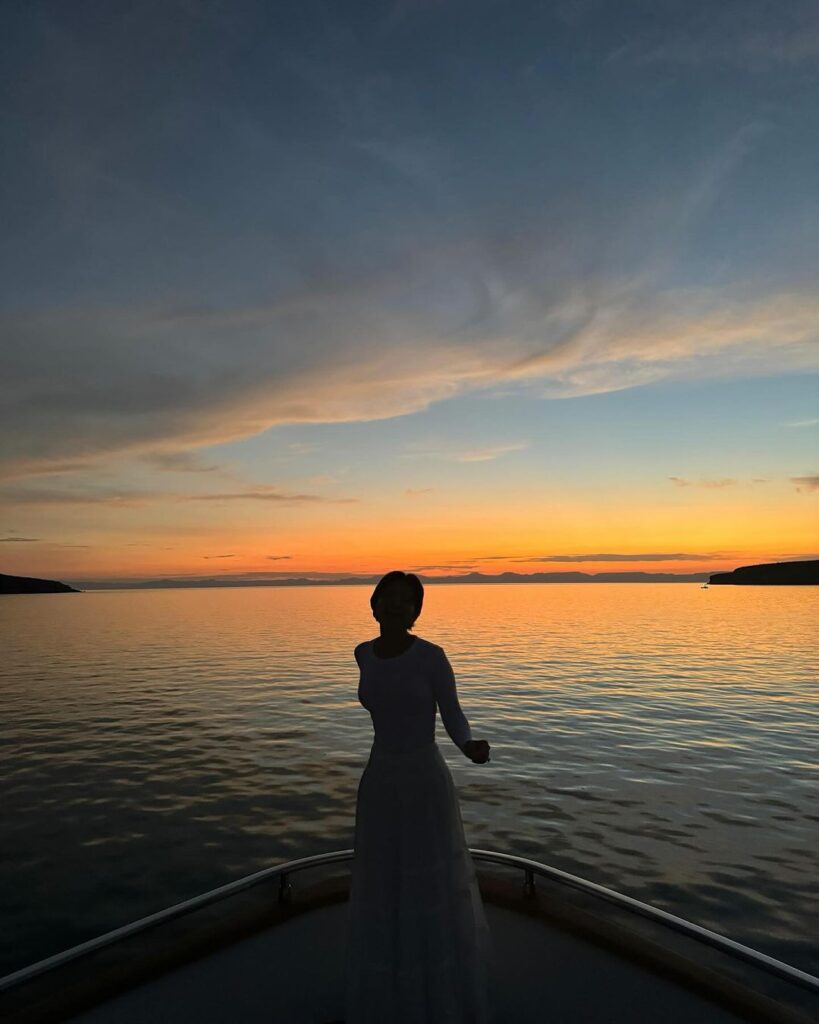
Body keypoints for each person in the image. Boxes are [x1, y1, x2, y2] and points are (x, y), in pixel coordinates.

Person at [344, 570, 494, 1024]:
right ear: (374, 604)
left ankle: (439, 1002)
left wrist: (469, 746)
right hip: (380, 780)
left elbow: (453, 715)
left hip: (423, 781)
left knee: (429, 883)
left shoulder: (431, 657)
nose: (395, 605)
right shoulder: (362, 654)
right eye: (388, 597)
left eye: (405, 600)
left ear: (415, 610)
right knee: (385, 881)